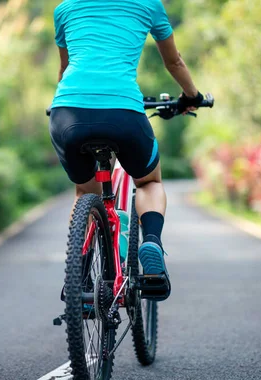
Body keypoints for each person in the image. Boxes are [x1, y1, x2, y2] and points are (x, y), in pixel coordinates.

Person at [49, 0, 204, 300]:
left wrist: (65, 104)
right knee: (149, 181)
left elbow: (65, 68)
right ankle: (153, 243)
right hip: (123, 112)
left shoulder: (64, 9)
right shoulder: (148, 5)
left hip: (68, 112)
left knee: (85, 192)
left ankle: (77, 275)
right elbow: (174, 62)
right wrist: (191, 96)